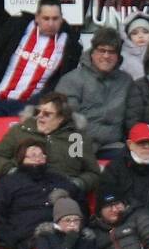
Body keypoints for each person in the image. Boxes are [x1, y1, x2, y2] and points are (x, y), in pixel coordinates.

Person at [0, 0, 81, 125]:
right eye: (46, 18)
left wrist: (37, 104)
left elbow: (61, 82)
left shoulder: (71, 46)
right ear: (37, 17)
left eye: (55, 19)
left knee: (25, 139)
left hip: (31, 106)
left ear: (61, 19)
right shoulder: (17, 26)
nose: (50, 23)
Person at [0, 92, 100, 203]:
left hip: (63, 196)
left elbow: (92, 173)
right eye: (38, 112)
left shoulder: (76, 138)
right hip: (22, 192)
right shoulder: (20, 131)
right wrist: (13, 171)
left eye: (47, 114)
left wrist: (77, 184)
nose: (40, 116)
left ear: (61, 118)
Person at [0, 139, 76, 249]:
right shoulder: (10, 182)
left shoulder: (59, 180)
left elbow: (80, 203)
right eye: (33, 155)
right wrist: (9, 231)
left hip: (60, 236)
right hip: (22, 239)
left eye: (41, 154)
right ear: (22, 159)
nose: (38, 158)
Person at [55, 27, 131, 158]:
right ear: (92, 52)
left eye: (111, 52)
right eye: (102, 50)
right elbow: (66, 120)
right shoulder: (71, 80)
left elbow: (133, 116)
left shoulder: (126, 81)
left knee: (134, 159)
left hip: (112, 144)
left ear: (118, 56)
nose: (106, 56)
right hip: (77, 141)